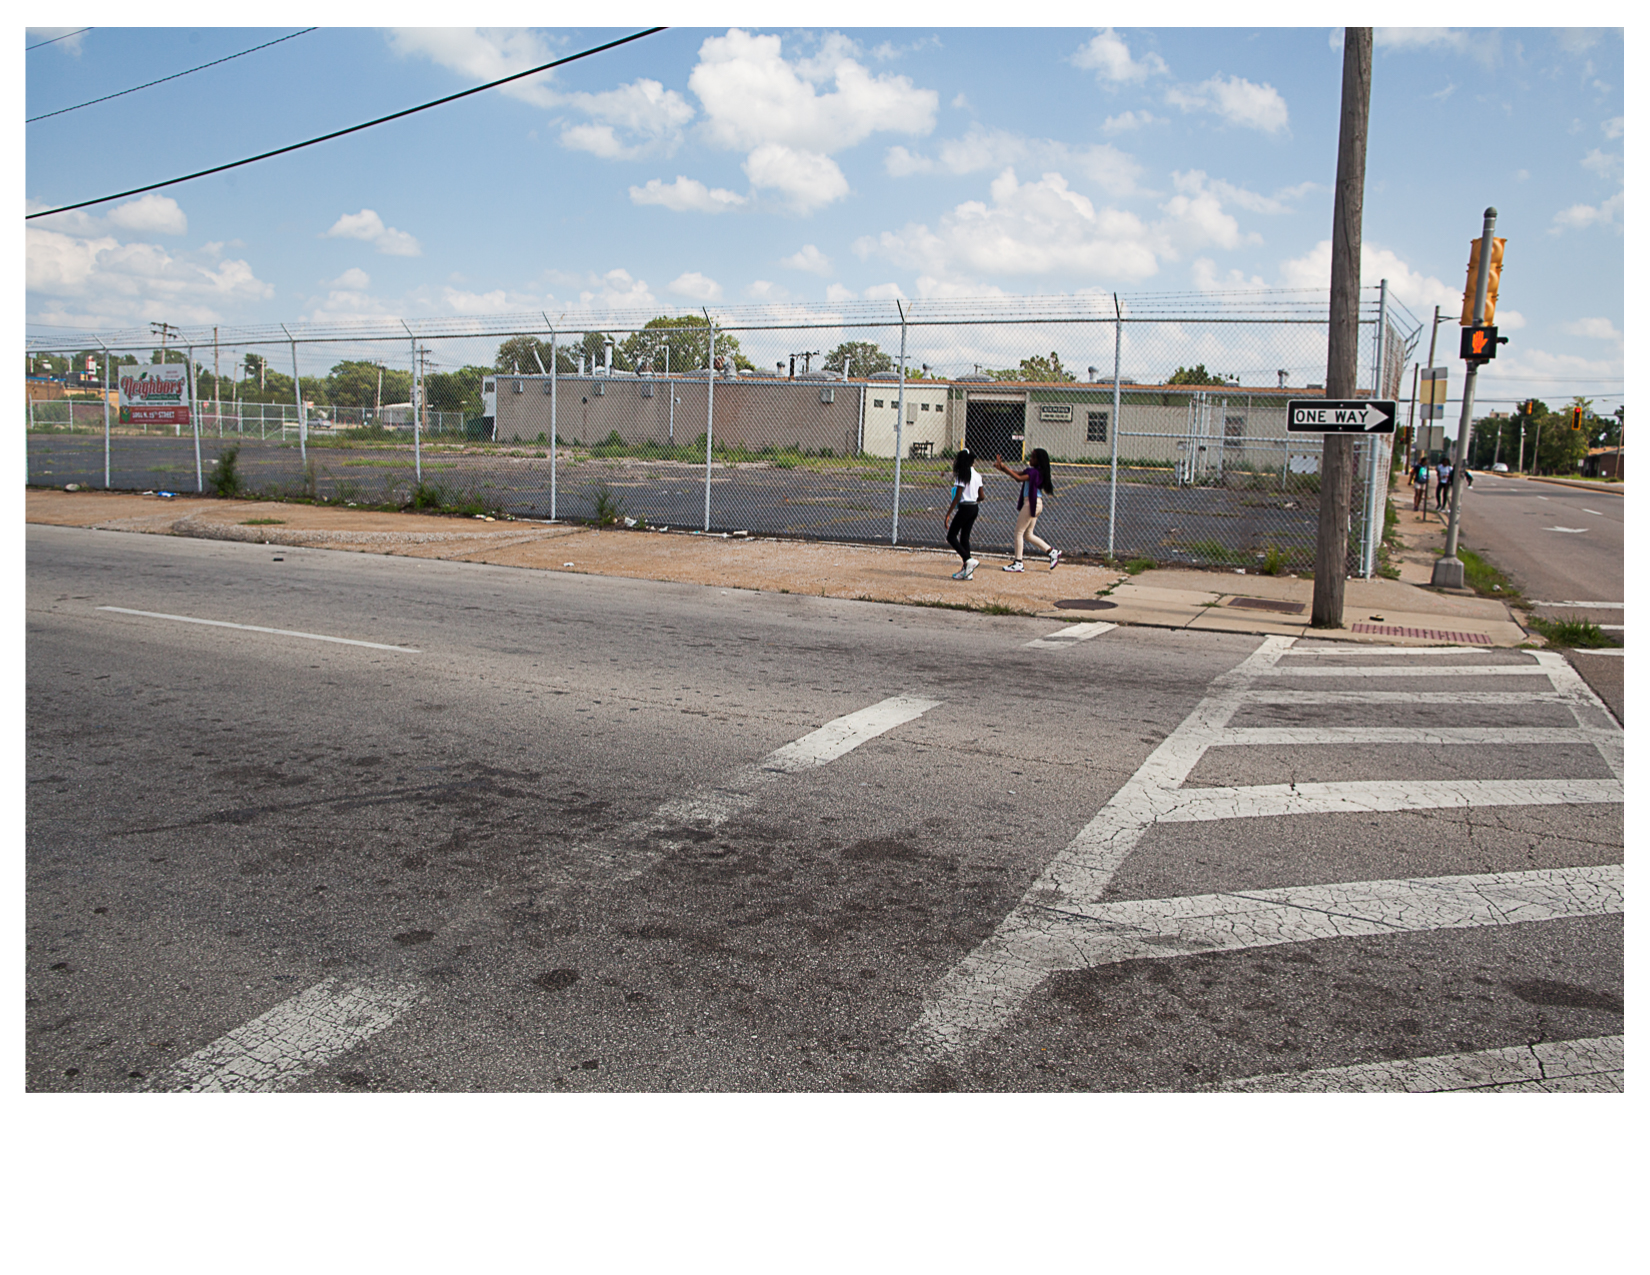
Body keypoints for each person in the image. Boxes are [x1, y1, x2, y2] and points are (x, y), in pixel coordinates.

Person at [993, 447, 1059, 571]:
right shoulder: (1035, 471)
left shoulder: (1034, 472)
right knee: (1028, 534)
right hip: (1037, 503)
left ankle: (1018, 562)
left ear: (1038, 460)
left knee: (1018, 532)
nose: (1030, 459)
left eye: (1033, 457)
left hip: (1031, 503)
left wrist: (1003, 467)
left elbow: (1018, 478)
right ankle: (1052, 552)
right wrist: (1002, 468)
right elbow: (1016, 473)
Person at [943, 448, 983, 580]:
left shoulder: (962, 475)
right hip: (974, 508)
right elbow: (982, 496)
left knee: (951, 536)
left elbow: (958, 496)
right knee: (964, 537)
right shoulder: (977, 475)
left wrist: (948, 514)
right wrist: (973, 499)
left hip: (965, 508)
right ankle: (967, 572)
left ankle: (968, 560)